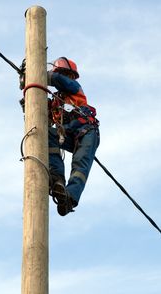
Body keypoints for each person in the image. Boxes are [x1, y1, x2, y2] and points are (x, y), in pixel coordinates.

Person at [48, 57, 100, 216]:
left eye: (66, 74)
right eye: (62, 74)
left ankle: (69, 198)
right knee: (47, 134)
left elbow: (56, 79)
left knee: (80, 164)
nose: (65, 77)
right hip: (69, 135)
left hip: (87, 132)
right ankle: (57, 180)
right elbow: (39, 118)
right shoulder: (55, 103)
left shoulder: (75, 87)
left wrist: (38, 74)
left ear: (71, 76)